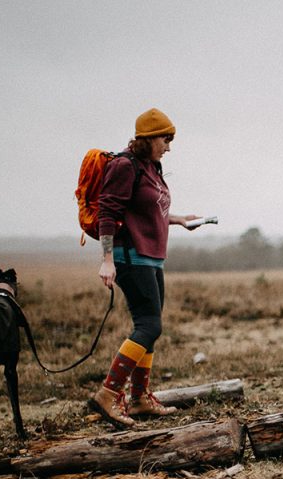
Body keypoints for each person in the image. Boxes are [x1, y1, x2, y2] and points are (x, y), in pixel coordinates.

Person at [88, 107, 202, 427]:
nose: (169, 146)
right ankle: (108, 395)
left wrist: (178, 220)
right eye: (166, 139)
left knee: (150, 328)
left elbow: (147, 208)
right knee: (149, 326)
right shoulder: (124, 166)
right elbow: (107, 213)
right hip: (130, 257)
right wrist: (107, 260)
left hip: (152, 257)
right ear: (150, 138)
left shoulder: (152, 166)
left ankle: (139, 399)